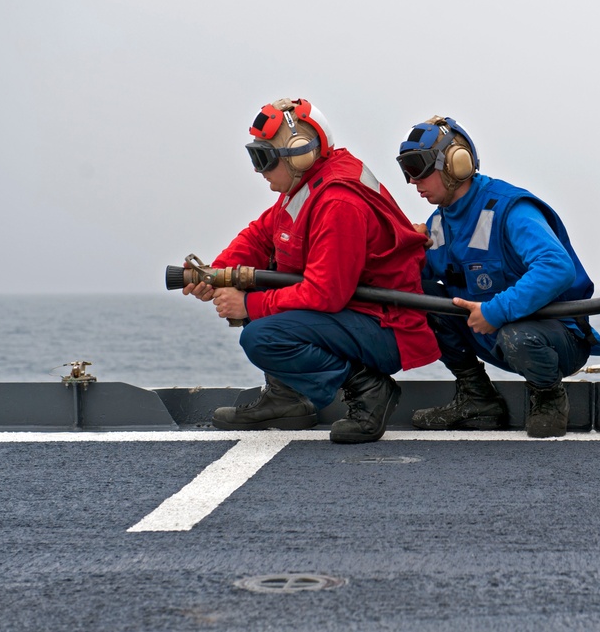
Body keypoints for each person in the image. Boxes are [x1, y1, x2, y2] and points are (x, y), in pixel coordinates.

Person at [182, 97, 439, 444]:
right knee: (257, 282)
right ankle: (287, 399)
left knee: (261, 336)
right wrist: (215, 272)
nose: (260, 171)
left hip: (386, 325)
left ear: (300, 153)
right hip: (357, 313)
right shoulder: (307, 184)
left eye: (265, 159)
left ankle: (369, 390)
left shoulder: (338, 201)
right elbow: (261, 235)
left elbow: (326, 294)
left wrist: (248, 306)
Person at [396, 116, 600, 438]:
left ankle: (548, 398)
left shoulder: (510, 209)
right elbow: (419, 280)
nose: (412, 181)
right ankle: (477, 399)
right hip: (491, 335)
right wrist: (408, 250)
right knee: (420, 296)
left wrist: (495, 311)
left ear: (455, 164)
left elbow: (556, 267)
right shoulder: (438, 223)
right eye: (407, 170)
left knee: (517, 336)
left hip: (555, 337)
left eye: (419, 168)